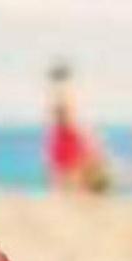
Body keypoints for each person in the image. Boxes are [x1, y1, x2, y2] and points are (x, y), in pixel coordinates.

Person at [45, 62, 108, 193]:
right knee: (69, 177)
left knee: (67, 177)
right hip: (66, 135)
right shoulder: (64, 94)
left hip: (65, 135)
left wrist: (88, 137)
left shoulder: (62, 94)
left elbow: (68, 118)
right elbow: (68, 118)